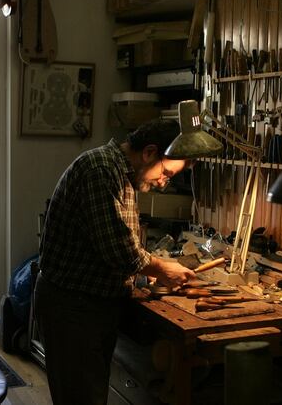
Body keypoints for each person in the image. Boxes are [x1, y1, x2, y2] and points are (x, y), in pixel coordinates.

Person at [34, 119, 197, 405]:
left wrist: (145, 276)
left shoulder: (122, 176)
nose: (163, 183)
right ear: (149, 153)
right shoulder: (100, 169)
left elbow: (117, 247)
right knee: (81, 398)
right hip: (73, 307)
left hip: (91, 306)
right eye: (166, 173)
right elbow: (119, 251)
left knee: (90, 393)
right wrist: (162, 268)